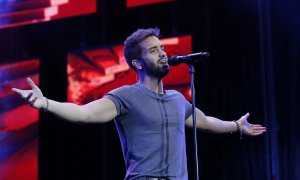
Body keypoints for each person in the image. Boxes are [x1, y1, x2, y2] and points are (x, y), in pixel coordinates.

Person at [12, 28, 266, 180]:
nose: (163, 53)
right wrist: (45, 103)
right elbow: (83, 113)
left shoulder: (178, 100)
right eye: (154, 50)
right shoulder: (125, 96)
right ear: (137, 63)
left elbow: (206, 122)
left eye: (162, 48)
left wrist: (236, 125)